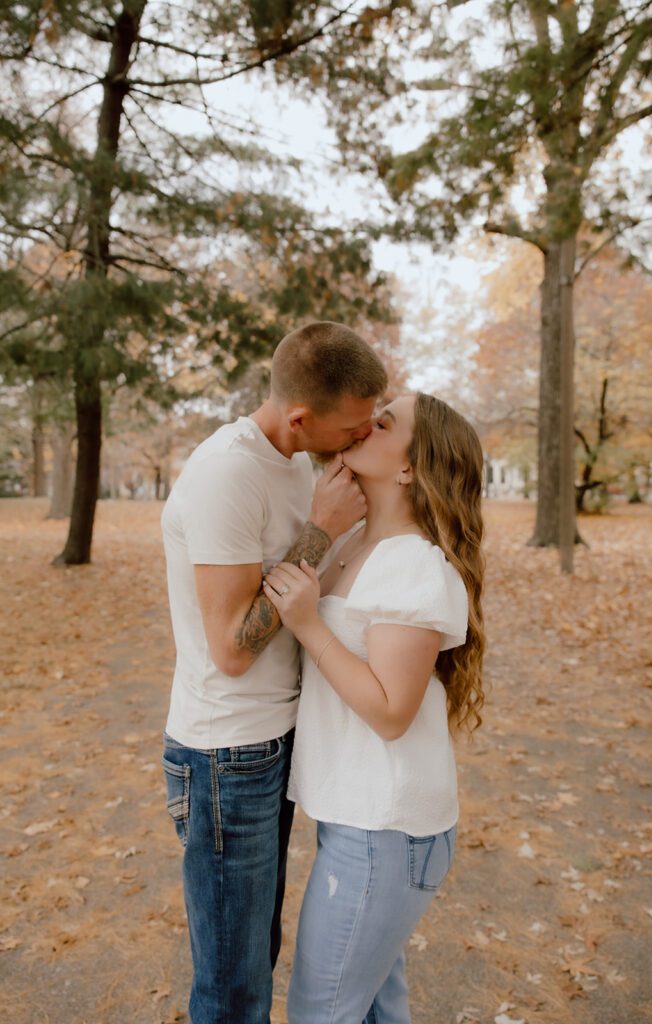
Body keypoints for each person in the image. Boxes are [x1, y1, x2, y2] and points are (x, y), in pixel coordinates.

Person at [160, 321, 388, 1024]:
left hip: (272, 741)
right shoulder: (226, 475)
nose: (361, 435)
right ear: (299, 417)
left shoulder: (295, 460)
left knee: (256, 953)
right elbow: (232, 649)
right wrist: (320, 531)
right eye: (351, 426)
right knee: (233, 988)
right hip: (226, 756)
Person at [264, 392, 485, 1024]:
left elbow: (391, 711)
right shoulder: (355, 541)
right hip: (360, 818)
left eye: (384, 423)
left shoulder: (414, 564)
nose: (366, 424)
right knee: (375, 1010)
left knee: (322, 1012)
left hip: (385, 829)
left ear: (410, 467)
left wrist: (309, 623)